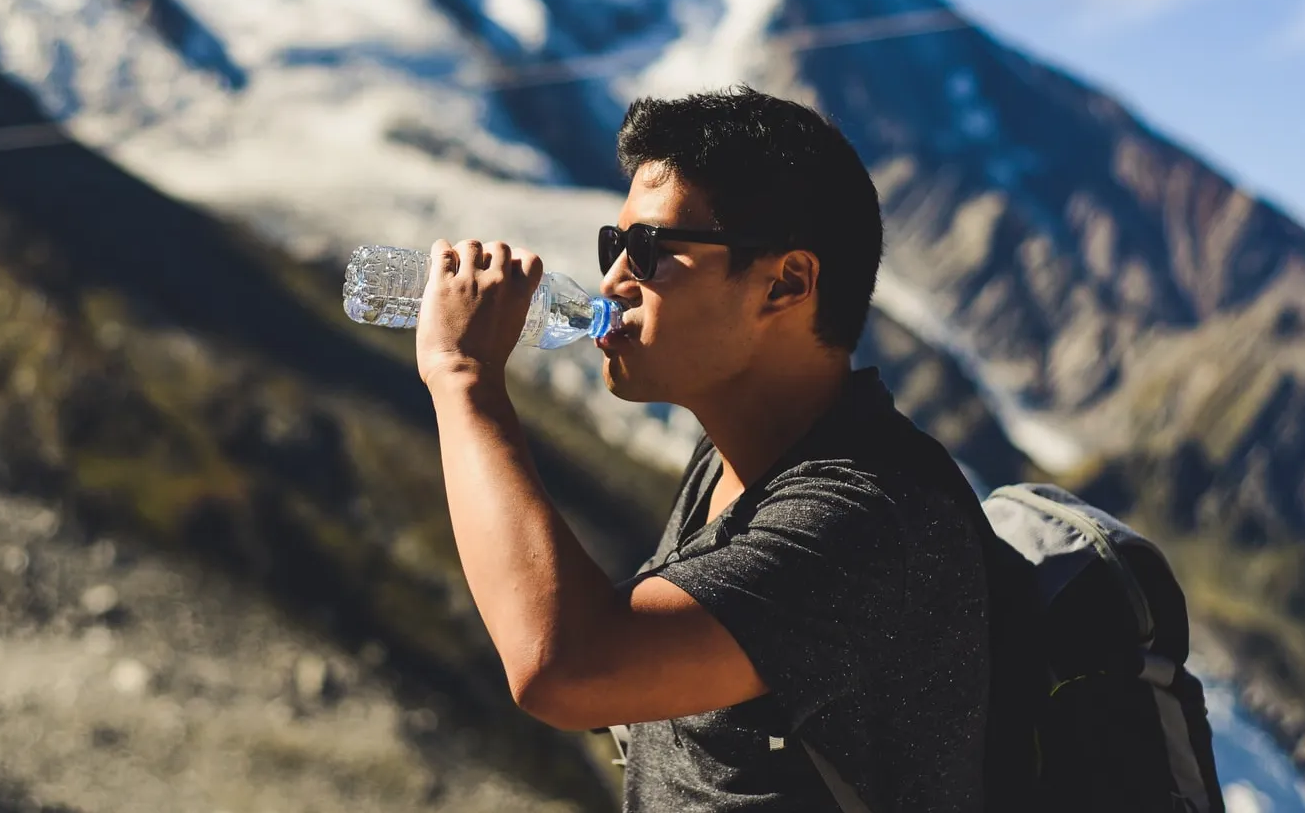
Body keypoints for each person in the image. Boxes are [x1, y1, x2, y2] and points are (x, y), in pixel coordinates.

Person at [415, 86, 1002, 811]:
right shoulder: (737, 461)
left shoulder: (865, 519)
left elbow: (563, 668)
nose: (612, 282)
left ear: (786, 282)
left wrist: (463, 377)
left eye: (648, 251)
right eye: (614, 245)